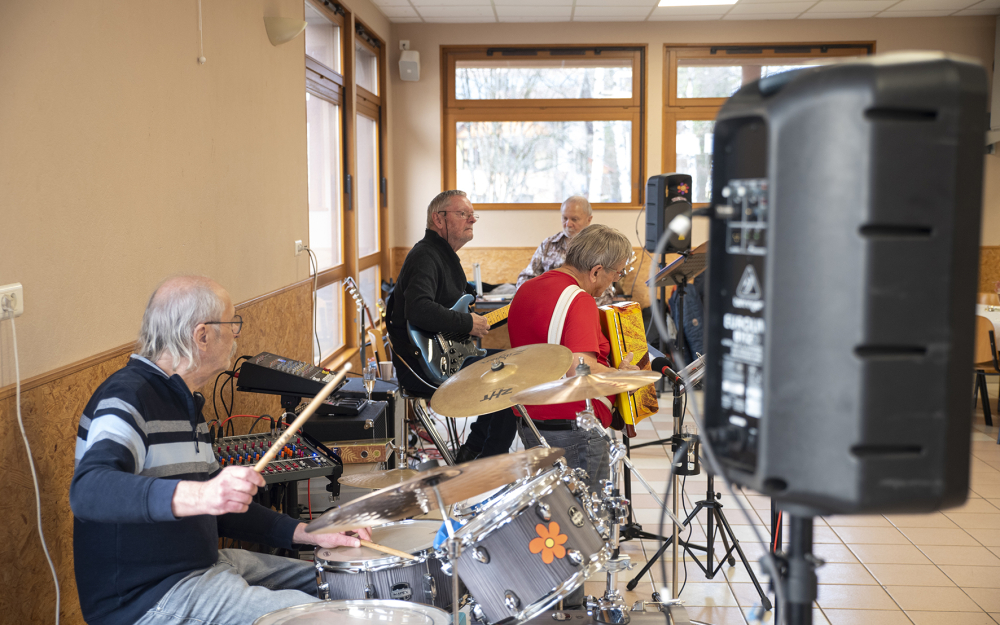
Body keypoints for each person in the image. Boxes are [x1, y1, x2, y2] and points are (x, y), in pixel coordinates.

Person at [70, 275, 370, 625]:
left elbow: (223, 510)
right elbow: (88, 490)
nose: (236, 334)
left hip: (203, 565)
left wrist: (306, 532)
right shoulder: (126, 398)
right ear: (202, 336)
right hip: (149, 596)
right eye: (232, 323)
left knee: (346, 580)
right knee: (328, 618)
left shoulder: (185, 403)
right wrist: (204, 494)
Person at [507, 224, 639, 493]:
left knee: (551, 512)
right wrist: (624, 376)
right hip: (573, 428)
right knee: (586, 513)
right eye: (617, 273)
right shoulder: (579, 299)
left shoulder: (526, 290)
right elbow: (580, 370)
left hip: (531, 422)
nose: (614, 281)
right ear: (596, 271)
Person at [386, 190, 516, 462]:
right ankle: (490, 461)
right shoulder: (425, 255)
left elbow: (445, 312)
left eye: (472, 214)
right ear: (439, 219)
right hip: (424, 367)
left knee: (512, 365)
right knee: (512, 372)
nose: (472, 219)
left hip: (443, 358)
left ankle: (475, 451)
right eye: (463, 214)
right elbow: (418, 309)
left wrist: (514, 309)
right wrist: (467, 322)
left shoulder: (442, 255)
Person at [515, 196, 615, 306]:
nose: (568, 224)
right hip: (547, 306)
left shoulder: (599, 248)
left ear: (589, 220)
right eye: (565, 218)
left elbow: (605, 293)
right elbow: (526, 278)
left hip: (583, 308)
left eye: (574, 219)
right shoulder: (548, 244)